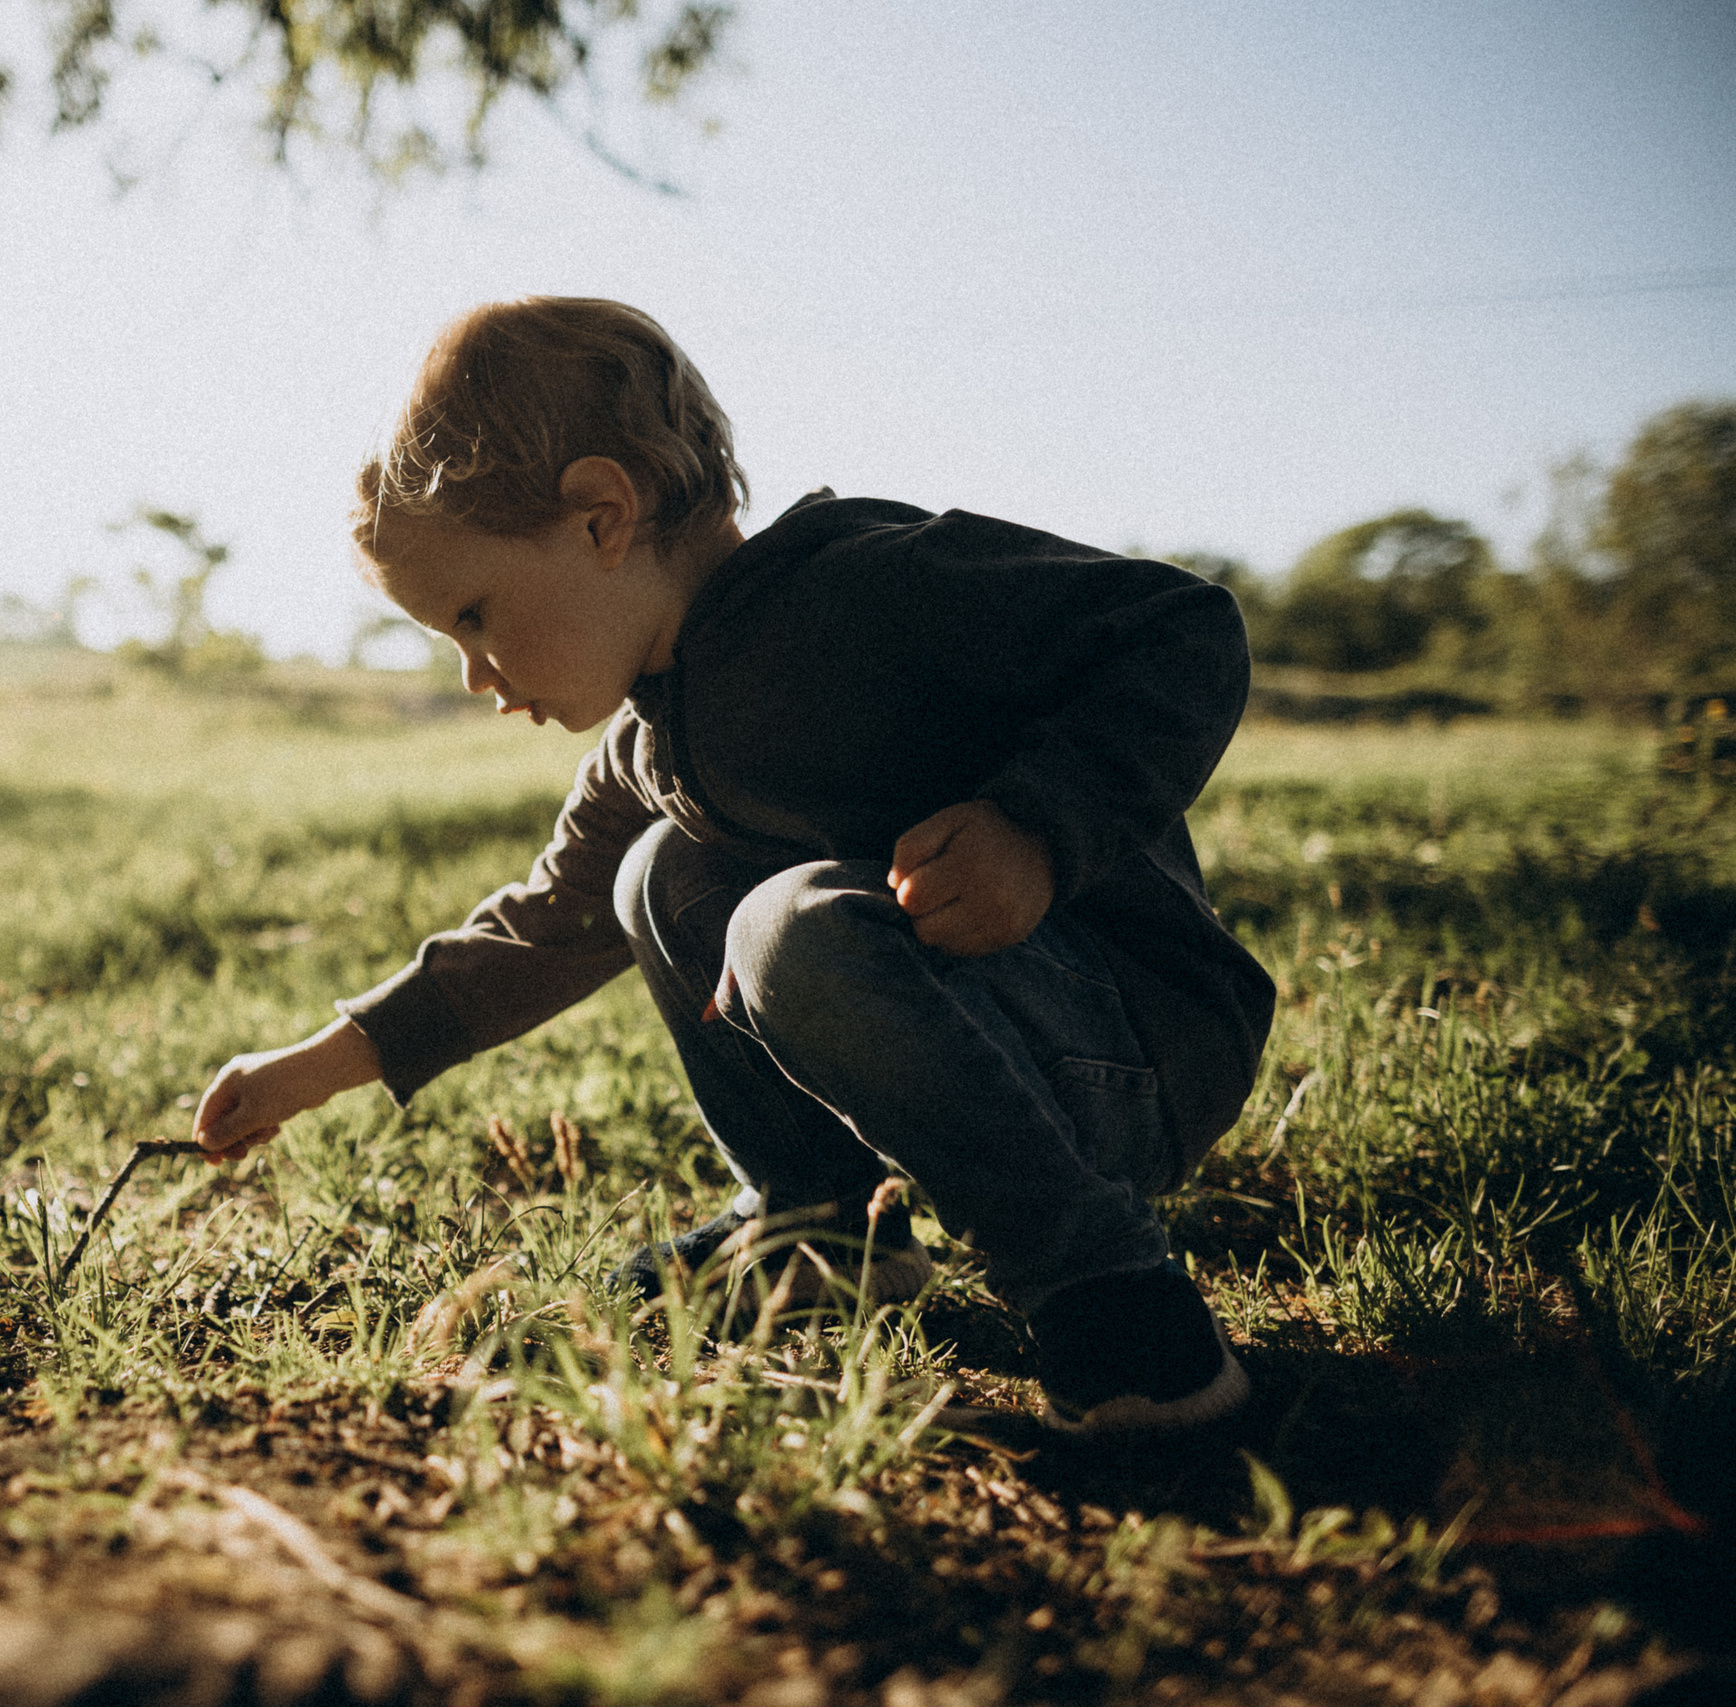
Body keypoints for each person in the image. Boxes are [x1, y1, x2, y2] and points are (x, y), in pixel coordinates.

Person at [190, 297, 1275, 1434]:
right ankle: (828, 1232)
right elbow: (541, 931)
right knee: (653, 876)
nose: (477, 674)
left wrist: (1040, 827)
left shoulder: (871, 586)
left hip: (1135, 1045)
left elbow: (1179, 627)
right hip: (1002, 1043)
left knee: (784, 930)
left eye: (475, 614)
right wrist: (311, 1067)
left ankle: (1127, 1329)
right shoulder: (654, 741)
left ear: (601, 517)